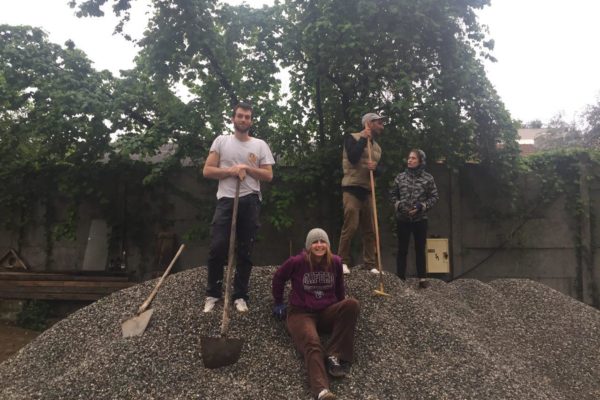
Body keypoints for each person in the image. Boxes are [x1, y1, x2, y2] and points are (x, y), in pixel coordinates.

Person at [202, 102, 275, 313]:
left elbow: (268, 175)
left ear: (251, 121)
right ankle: (213, 293)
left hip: (250, 199)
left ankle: (240, 295)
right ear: (233, 118)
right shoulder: (221, 141)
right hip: (226, 199)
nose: (244, 120)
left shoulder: (260, 145)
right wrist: (230, 171)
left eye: (247, 117)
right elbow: (207, 170)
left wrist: (247, 168)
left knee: (245, 249)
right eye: (240, 116)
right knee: (218, 247)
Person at [272, 228, 360, 400]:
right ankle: (322, 391)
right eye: (315, 242)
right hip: (301, 313)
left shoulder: (335, 261)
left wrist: (341, 311)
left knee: (352, 304)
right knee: (312, 342)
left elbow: (339, 288)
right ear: (308, 245)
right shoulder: (297, 262)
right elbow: (278, 277)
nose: (319, 245)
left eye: (322, 242)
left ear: (328, 245)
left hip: (326, 312)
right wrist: (278, 302)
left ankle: (335, 355)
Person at [338, 112, 386, 275]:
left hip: (367, 190)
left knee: (370, 229)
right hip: (352, 188)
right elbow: (352, 157)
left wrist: (376, 169)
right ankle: (342, 261)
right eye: (379, 123)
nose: (382, 126)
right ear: (369, 123)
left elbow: (381, 170)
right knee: (350, 226)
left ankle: (370, 264)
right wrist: (363, 139)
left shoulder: (377, 148)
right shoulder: (352, 138)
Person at [389, 149, 438, 288]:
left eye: (413, 158)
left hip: (420, 219)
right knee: (402, 249)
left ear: (420, 161)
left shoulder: (428, 178)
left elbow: (434, 197)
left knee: (420, 249)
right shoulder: (400, 177)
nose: (409, 160)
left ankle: (422, 279)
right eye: (409, 158)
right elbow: (392, 195)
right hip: (403, 219)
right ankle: (400, 278)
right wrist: (399, 206)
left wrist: (422, 206)